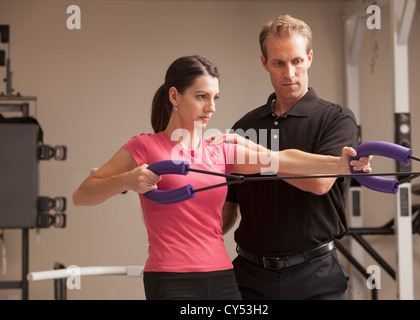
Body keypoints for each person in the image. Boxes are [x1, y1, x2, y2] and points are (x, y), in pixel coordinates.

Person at [72, 55, 371, 300]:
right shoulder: (145, 146)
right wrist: (126, 181)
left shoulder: (220, 150)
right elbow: (82, 195)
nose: (211, 108)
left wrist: (340, 164)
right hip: (170, 279)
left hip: (223, 278)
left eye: (215, 98)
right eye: (201, 97)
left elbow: (282, 161)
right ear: (175, 95)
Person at [222, 15, 364, 300]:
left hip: (316, 275)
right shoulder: (244, 127)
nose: (289, 73)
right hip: (250, 277)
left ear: (309, 58)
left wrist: (256, 155)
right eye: (279, 63)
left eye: (297, 61)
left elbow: (320, 182)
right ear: (264, 63)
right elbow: (227, 209)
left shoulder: (337, 120)